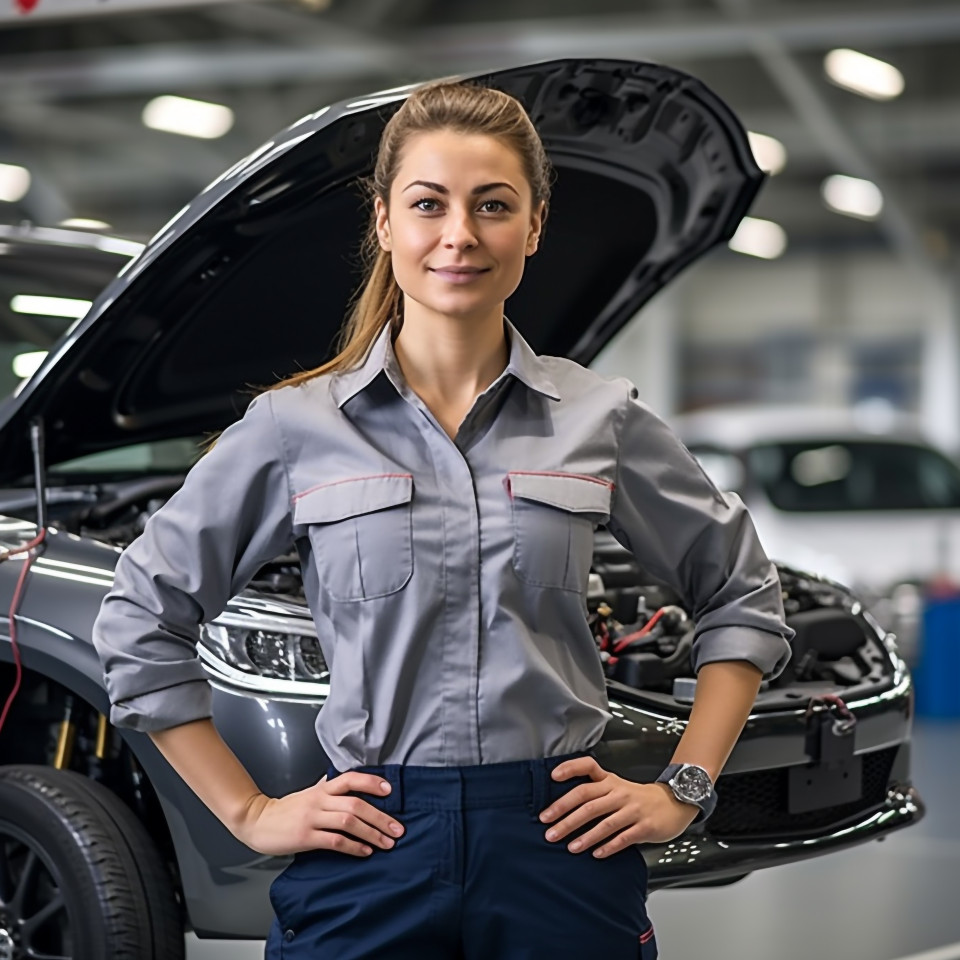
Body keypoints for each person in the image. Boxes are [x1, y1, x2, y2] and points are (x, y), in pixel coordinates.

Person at [92, 77, 794, 960]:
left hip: (557, 848)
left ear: (533, 227)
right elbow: (139, 617)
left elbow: (742, 595)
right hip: (373, 845)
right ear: (384, 222)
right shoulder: (295, 428)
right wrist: (249, 812)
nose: (460, 234)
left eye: (493, 205)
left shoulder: (601, 419)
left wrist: (683, 787)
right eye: (429, 204)